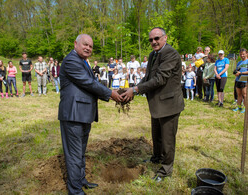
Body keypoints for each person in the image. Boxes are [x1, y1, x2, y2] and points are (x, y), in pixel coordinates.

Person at [58, 34, 122, 195]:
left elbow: (90, 84)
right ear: (75, 44)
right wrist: (110, 93)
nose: (88, 48)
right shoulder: (71, 60)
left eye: (91, 46)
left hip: (83, 113)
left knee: (80, 151)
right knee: (74, 154)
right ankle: (75, 191)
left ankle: (80, 180)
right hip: (73, 114)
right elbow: (88, 83)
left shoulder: (82, 61)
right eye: (85, 44)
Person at [122, 27, 184, 181]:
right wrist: (133, 89)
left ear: (165, 38)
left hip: (169, 104)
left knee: (168, 139)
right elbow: (149, 77)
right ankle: (156, 157)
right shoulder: (153, 55)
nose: (154, 42)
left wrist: (136, 89)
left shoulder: (170, 53)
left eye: (157, 38)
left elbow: (160, 79)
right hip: (156, 104)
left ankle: (166, 170)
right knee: (156, 135)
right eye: (151, 40)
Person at [233, 48, 248, 113]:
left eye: (243, 54)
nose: (242, 55)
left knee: (244, 94)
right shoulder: (239, 62)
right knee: (239, 94)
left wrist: (241, 73)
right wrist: (236, 73)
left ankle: (245, 108)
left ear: (247, 54)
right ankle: (239, 107)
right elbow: (237, 70)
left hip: (245, 80)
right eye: (241, 54)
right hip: (238, 79)